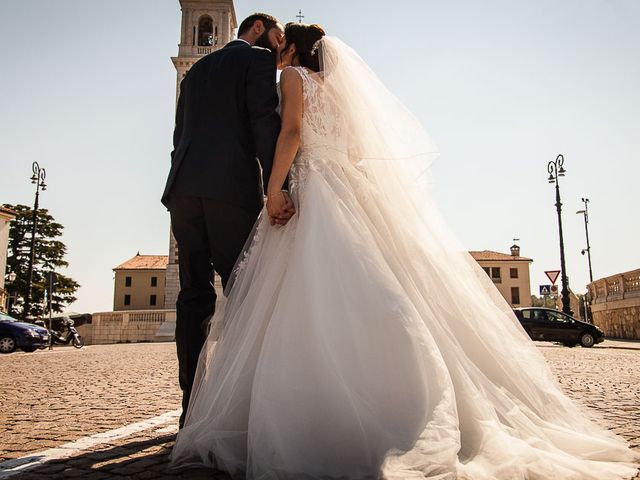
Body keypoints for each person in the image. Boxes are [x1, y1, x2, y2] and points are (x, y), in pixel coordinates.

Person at [170, 23, 638, 479]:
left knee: (271, 293)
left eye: (283, 46)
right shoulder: (339, 93)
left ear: (293, 49)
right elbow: (349, 149)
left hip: (270, 186)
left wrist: (275, 186)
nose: (277, 55)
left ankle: (234, 402)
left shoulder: (279, 78)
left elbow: (288, 134)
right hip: (345, 187)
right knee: (376, 289)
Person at [160, 13, 295, 429]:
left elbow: (177, 135)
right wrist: (278, 186)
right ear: (257, 31)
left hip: (183, 190)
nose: (280, 46)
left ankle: (191, 405)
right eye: (278, 37)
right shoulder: (254, 60)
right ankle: (238, 406)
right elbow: (263, 124)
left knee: (192, 296)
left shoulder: (196, 72)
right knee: (244, 290)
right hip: (229, 189)